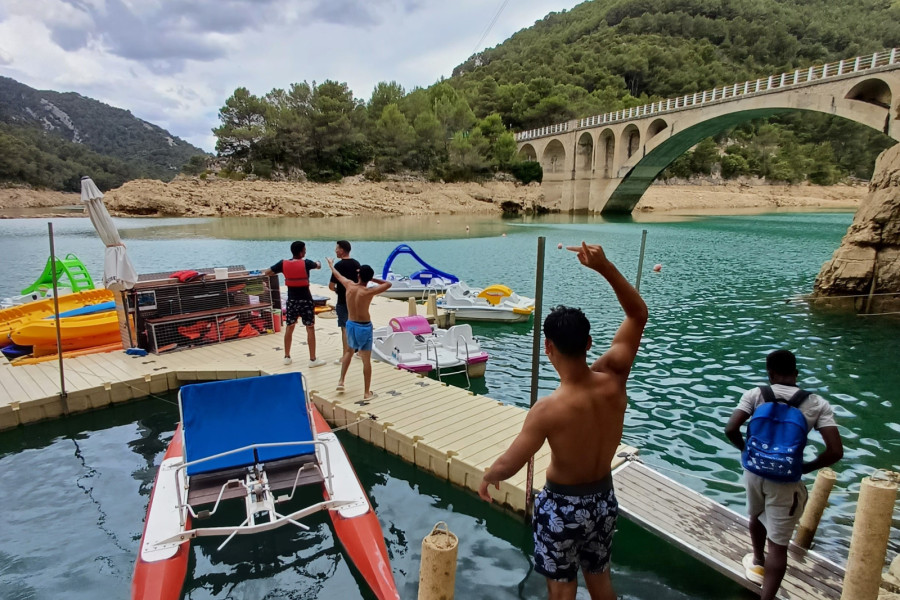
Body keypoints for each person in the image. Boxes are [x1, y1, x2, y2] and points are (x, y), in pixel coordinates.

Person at [478, 241, 648, 600]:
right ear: (588, 343)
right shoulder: (614, 376)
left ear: (549, 348)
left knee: (561, 589)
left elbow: (512, 462)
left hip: (562, 507)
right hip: (603, 498)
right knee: (600, 579)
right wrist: (604, 267)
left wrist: (489, 476)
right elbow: (637, 315)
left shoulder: (548, 410)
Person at [724, 350, 843, 600]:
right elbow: (835, 451)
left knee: (755, 514)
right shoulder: (817, 404)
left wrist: (747, 452)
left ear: (770, 374)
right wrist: (804, 468)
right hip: (786, 481)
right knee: (778, 547)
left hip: (753, 471)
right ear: (796, 373)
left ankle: (757, 561)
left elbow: (731, 428)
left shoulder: (756, 395)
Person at [327, 258, 392, 400]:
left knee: (348, 352)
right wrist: (372, 278)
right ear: (368, 278)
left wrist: (331, 265)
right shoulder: (368, 291)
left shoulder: (349, 286)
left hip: (350, 324)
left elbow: (338, 275)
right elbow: (388, 284)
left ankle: (341, 380)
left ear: (358, 275)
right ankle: (366, 393)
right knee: (365, 359)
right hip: (364, 326)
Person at [264, 241, 326, 368]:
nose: (305, 252)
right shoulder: (307, 263)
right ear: (301, 252)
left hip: (292, 300)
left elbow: (268, 272)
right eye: (305, 250)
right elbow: (318, 265)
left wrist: (282, 272)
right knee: (310, 328)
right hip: (306, 300)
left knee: (289, 327)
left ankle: (287, 357)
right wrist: (319, 262)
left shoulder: (283, 264)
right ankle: (312, 359)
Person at [328, 240, 361, 364]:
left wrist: (337, 290)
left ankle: (345, 356)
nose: (335, 251)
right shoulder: (357, 264)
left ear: (342, 250)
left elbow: (331, 286)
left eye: (336, 248)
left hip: (343, 300)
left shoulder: (339, 266)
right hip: (356, 300)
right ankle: (359, 352)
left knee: (344, 328)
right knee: (357, 326)